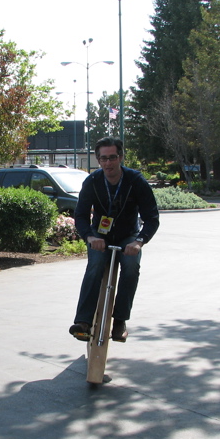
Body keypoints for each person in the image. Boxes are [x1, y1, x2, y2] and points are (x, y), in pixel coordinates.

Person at [69, 137, 160, 343]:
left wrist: (139, 242)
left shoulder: (135, 181)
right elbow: (81, 216)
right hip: (100, 235)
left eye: (112, 158)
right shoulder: (92, 182)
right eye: (103, 159)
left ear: (120, 157)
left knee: (130, 267)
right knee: (96, 265)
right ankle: (82, 322)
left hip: (128, 236)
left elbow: (152, 218)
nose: (108, 163)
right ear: (98, 160)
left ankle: (119, 321)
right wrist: (91, 237)